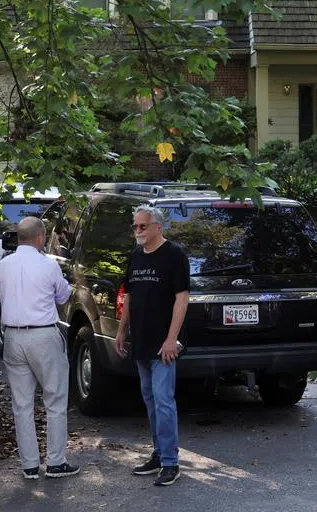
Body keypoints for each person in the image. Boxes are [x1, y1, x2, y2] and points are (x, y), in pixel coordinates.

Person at [0, 216, 79, 480]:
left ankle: (29, 465)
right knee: (54, 399)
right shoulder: (48, 265)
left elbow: (0, 295)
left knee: (21, 404)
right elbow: (63, 296)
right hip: (43, 334)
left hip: (12, 336)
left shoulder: (3, 265)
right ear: (41, 237)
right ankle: (55, 462)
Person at [115, 205, 189, 487]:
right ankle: (159, 453)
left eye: (142, 226)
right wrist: (122, 330)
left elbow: (182, 299)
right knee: (150, 399)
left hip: (163, 345)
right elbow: (129, 297)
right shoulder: (134, 256)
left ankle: (171, 462)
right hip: (141, 342)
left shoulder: (173, 255)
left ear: (158, 227)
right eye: (135, 226)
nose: (137, 231)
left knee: (164, 400)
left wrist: (172, 338)